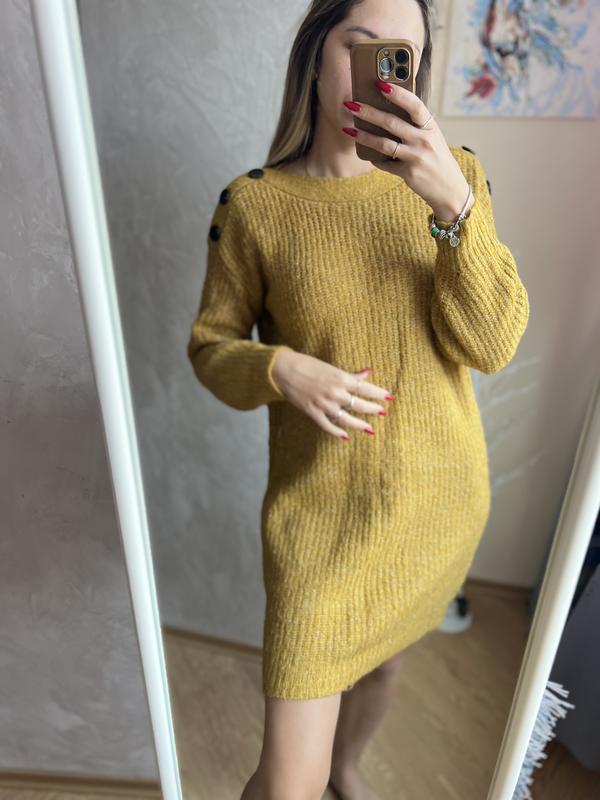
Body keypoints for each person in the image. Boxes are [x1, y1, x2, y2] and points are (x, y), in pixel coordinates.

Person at [186, 0, 530, 798]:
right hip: (321, 525)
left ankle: (348, 765)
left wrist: (453, 207)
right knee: (285, 784)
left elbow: (491, 344)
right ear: (315, 56)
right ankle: (322, 773)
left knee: (382, 670)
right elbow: (210, 348)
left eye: (402, 59)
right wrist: (281, 369)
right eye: (363, 48)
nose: (382, 76)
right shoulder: (254, 206)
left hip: (432, 504)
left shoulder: (458, 179)